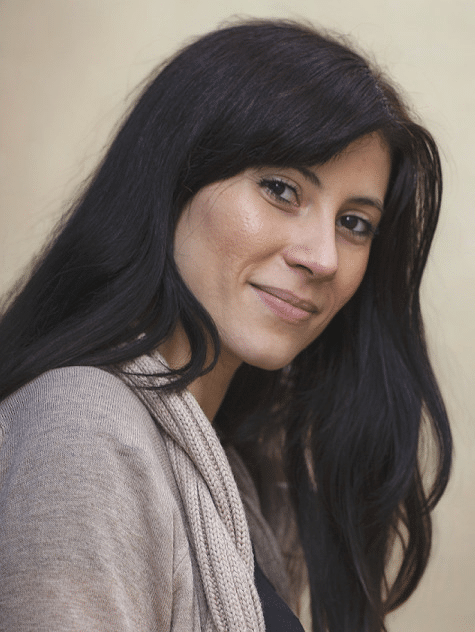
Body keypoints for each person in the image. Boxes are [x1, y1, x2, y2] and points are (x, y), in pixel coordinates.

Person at [0, 18, 452, 632]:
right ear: (173, 180)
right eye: (281, 189)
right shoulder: (83, 427)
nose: (323, 258)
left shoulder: (240, 477)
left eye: (354, 223)